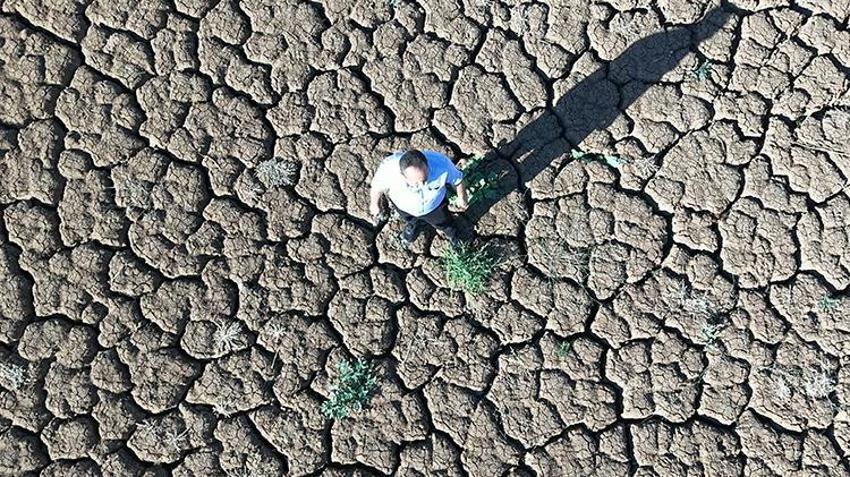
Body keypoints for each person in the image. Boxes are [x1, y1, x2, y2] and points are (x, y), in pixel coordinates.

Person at [369, 149, 468, 248]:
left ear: (427, 165)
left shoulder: (440, 163)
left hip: (435, 207)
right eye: (416, 182)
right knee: (409, 219)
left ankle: (454, 237)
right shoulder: (388, 170)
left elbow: (457, 180)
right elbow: (376, 188)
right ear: (402, 175)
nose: (422, 185)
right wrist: (374, 204)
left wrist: (462, 197)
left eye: (424, 179)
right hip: (404, 207)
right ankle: (414, 224)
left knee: (445, 223)